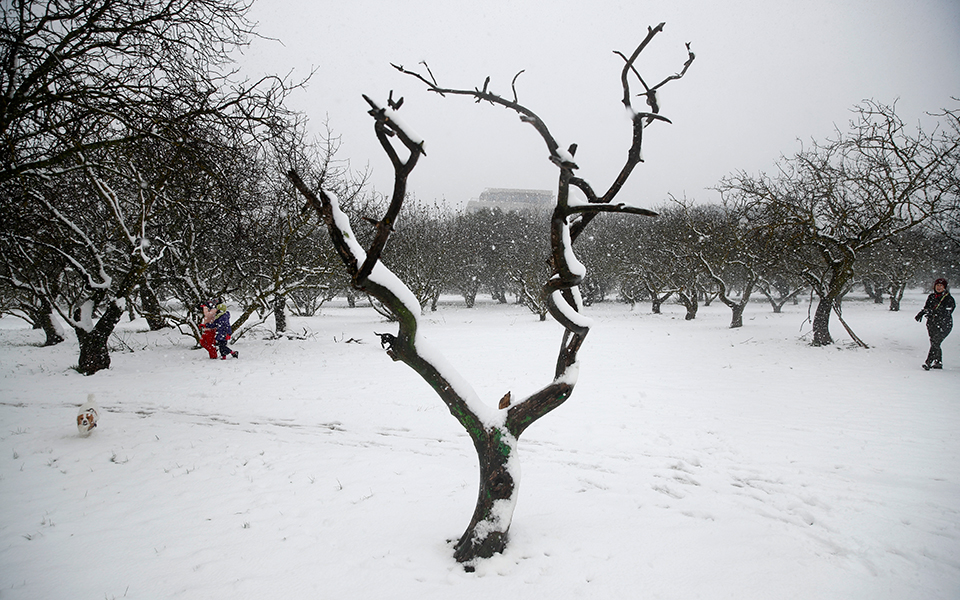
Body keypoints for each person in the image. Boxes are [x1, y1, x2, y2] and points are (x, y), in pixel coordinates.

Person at [915, 278, 954, 370]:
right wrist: (922, 313)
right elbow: (927, 307)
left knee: (936, 342)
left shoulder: (949, 299)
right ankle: (938, 362)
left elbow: (947, 312)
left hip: (944, 325)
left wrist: (933, 312)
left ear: (945, 287)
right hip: (932, 324)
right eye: (937, 285)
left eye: (941, 286)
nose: (939, 287)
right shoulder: (932, 297)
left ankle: (928, 361)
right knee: (934, 342)